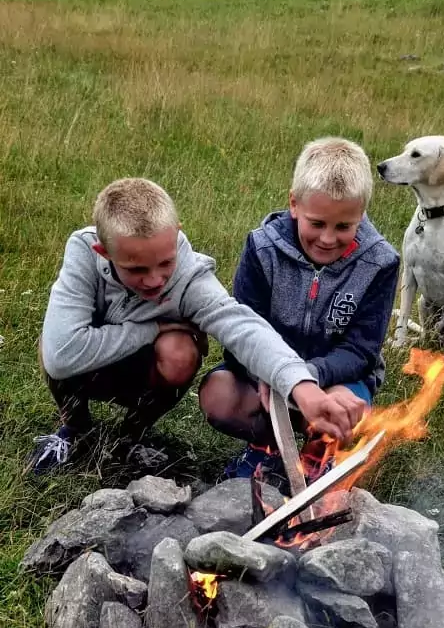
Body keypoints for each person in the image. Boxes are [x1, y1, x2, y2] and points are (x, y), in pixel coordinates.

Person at [27, 177, 361, 475]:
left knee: (180, 352)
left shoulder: (190, 276)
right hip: (87, 365)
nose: (155, 279)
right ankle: (75, 429)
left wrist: (301, 385)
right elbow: (62, 355)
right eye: (136, 269)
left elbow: (243, 327)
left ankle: (129, 437)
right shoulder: (84, 253)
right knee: (51, 344)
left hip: (140, 369)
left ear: (176, 234)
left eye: (165, 262)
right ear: (104, 252)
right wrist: (153, 329)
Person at [199, 137, 400, 482]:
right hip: (263, 378)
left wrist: (306, 377)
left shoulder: (380, 262)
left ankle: (316, 456)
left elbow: (361, 350)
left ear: (361, 213)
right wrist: (272, 374)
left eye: (344, 227)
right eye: (317, 223)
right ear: (294, 203)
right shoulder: (262, 248)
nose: (327, 239)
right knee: (218, 395)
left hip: (335, 379)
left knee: (343, 407)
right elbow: (242, 333)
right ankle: (267, 448)